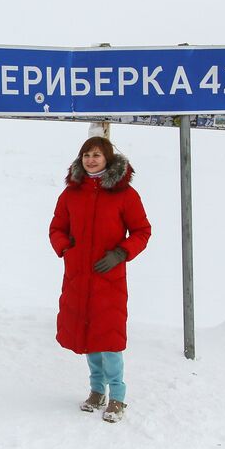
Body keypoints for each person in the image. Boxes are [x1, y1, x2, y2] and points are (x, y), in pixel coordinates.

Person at [48, 136, 152, 423]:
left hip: (109, 278)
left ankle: (117, 396)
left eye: (96, 155)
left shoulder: (125, 195)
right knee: (88, 335)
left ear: (107, 158)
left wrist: (121, 253)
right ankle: (97, 391)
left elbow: (142, 231)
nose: (91, 160)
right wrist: (67, 250)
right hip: (78, 277)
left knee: (110, 339)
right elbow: (57, 228)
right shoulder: (70, 194)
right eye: (86, 155)